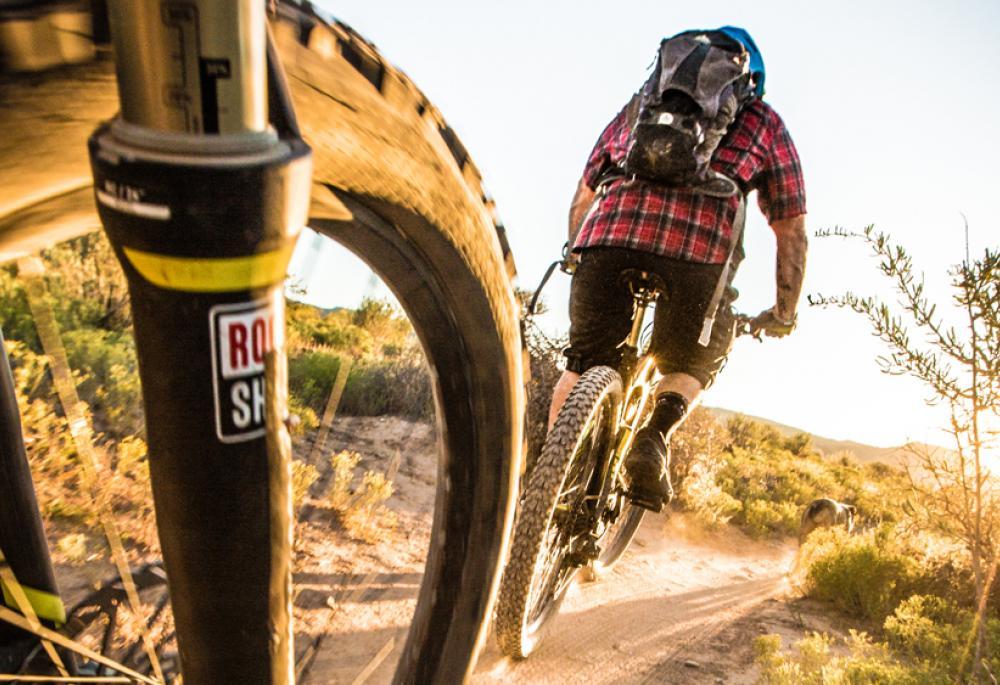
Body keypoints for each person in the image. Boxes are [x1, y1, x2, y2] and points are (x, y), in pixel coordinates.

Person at [549, 26, 808, 512]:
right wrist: (784, 311)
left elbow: (585, 192)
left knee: (583, 361)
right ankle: (654, 435)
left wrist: (576, 250)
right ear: (748, 80)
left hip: (607, 239)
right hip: (697, 258)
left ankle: (546, 484)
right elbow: (791, 229)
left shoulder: (639, 108)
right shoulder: (763, 121)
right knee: (692, 360)